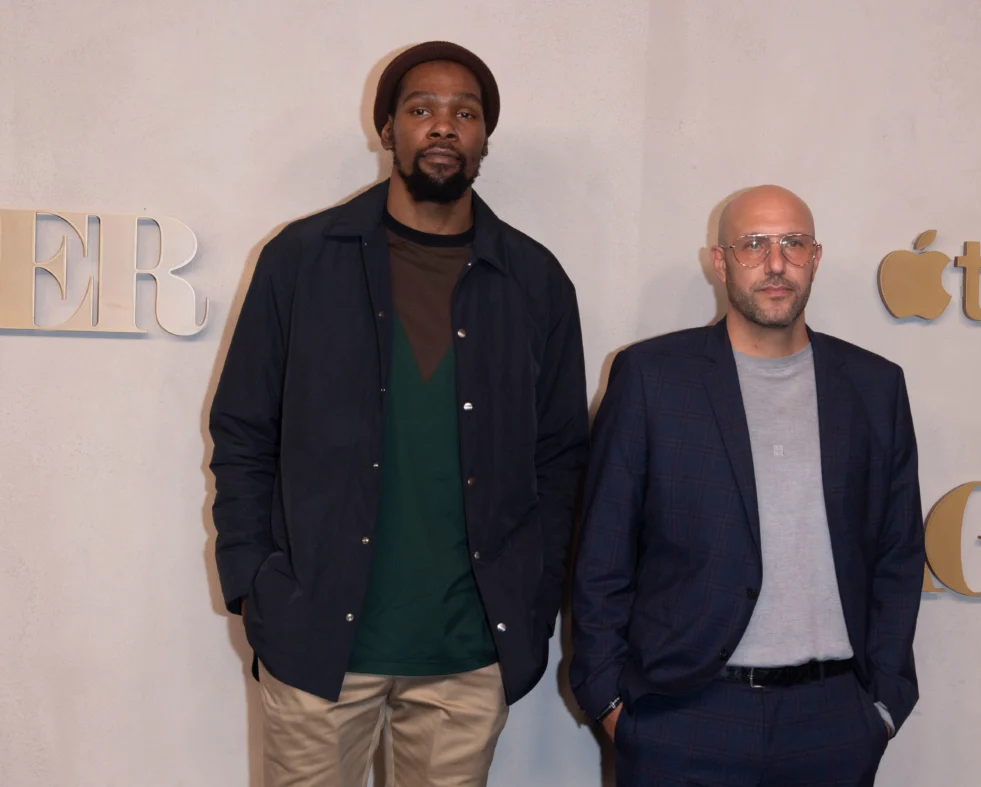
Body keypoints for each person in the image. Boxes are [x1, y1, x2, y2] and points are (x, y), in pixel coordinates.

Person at [209, 40, 588, 787]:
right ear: (387, 129)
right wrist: (255, 581)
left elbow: (561, 456)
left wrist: (535, 595)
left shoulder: (535, 281)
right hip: (316, 644)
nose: (442, 126)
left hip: (465, 653)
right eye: (421, 109)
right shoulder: (301, 259)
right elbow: (243, 431)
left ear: (484, 137)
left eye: (464, 113)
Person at [569, 185, 924, 786]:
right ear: (720, 261)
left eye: (793, 243)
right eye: (753, 244)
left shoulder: (874, 387)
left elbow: (898, 554)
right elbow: (601, 555)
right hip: (683, 716)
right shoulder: (652, 378)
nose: (775, 261)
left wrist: (883, 706)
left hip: (832, 719)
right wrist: (611, 703)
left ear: (816, 257)